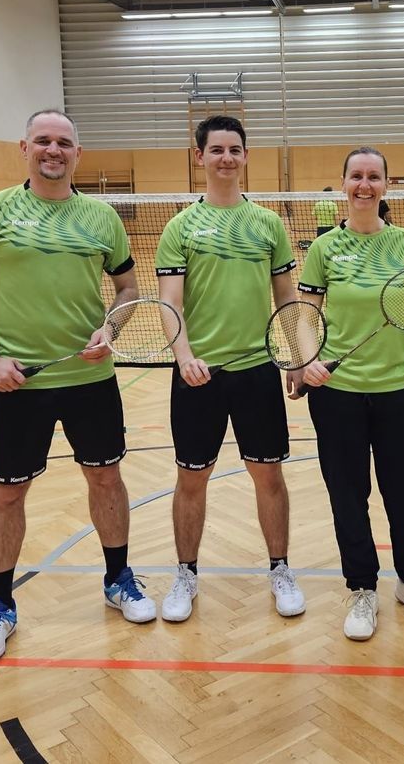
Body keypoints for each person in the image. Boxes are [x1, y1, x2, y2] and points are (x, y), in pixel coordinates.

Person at [0, 110, 156, 666]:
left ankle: (119, 580)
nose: (52, 150)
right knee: (7, 492)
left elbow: (127, 288)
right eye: (42, 140)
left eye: (63, 142)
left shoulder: (101, 217)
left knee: (106, 478)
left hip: (91, 378)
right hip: (16, 384)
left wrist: (110, 330)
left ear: (77, 153)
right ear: (24, 147)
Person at [296, 146, 404, 640]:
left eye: (374, 177)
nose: (364, 185)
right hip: (337, 392)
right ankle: (362, 588)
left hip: (396, 391)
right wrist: (307, 361)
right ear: (343, 183)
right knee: (349, 494)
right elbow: (304, 316)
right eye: (356, 176)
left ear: (386, 185)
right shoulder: (323, 248)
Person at [156, 115, 305, 623]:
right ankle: (185, 574)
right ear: (199, 157)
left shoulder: (268, 224)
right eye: (216, 149)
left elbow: (287, 298)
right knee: (190, 479)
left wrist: (297, 357)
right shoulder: (180, 227)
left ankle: (280, 569)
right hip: (199, 375)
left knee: (270, 477)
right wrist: (184, 358)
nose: (225, 158)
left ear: (245, 156)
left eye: (234, 149)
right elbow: (169, 303)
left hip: (257, 371)